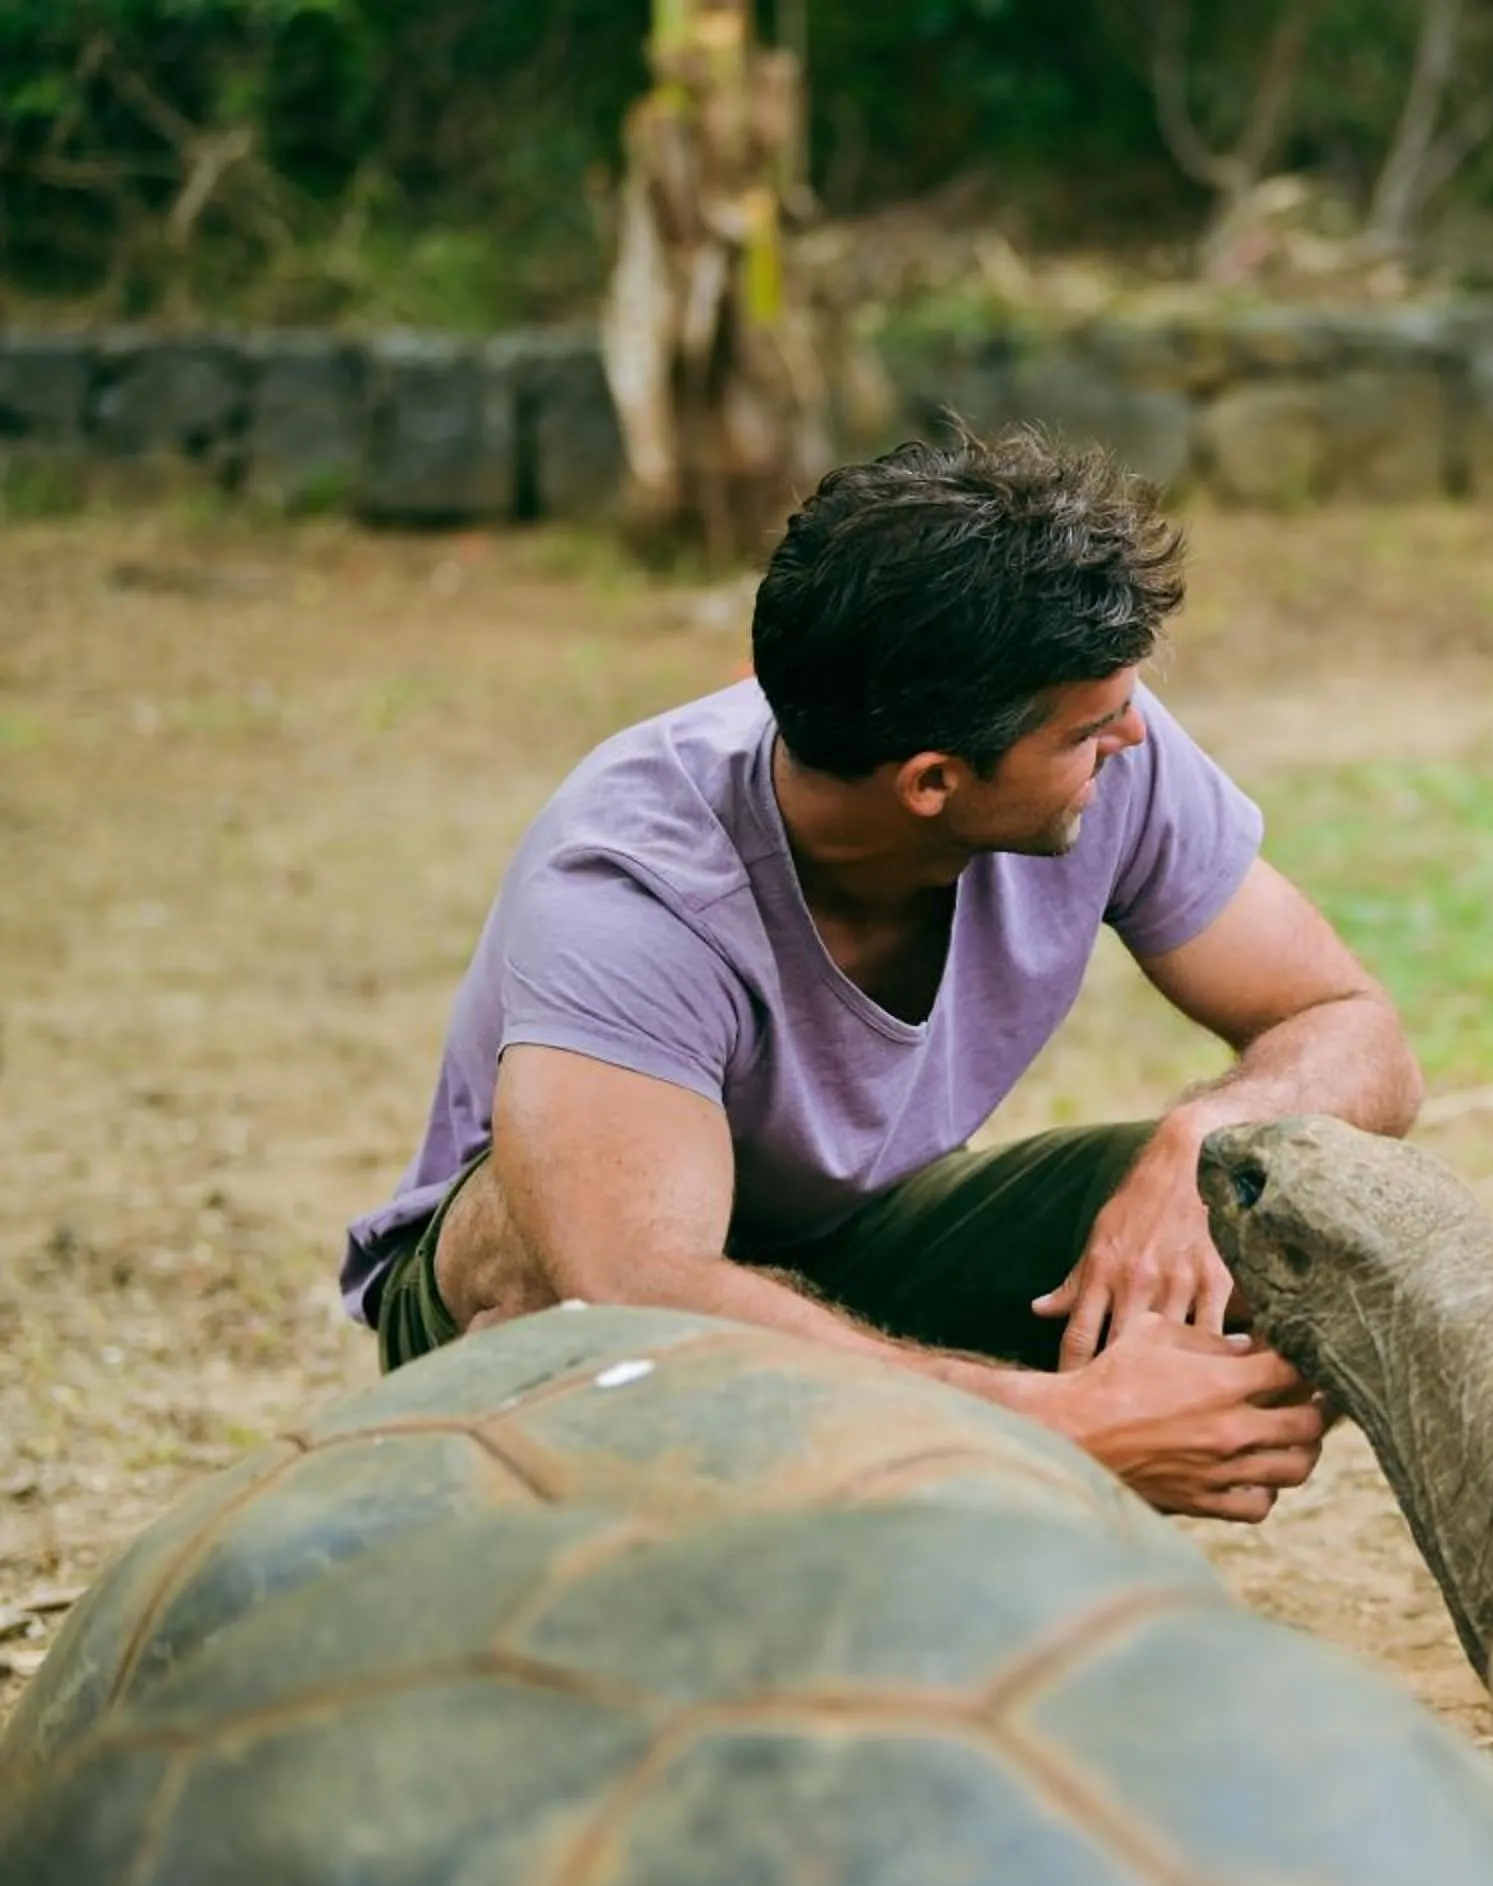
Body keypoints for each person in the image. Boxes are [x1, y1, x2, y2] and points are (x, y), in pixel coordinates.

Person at [338, 424, 1424, 1521]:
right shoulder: (632, 888)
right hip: (548, 1322)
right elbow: (634, 1288)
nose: (1132, 739)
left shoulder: (1096, 747)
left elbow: (1347, 1023)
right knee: (558, 1275)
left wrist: (1209, 1141)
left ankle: (942, 1536)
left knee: (1302, 1197)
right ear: (932, 783)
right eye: (1090, 731)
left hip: (851, 1246)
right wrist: (1058, 1430)